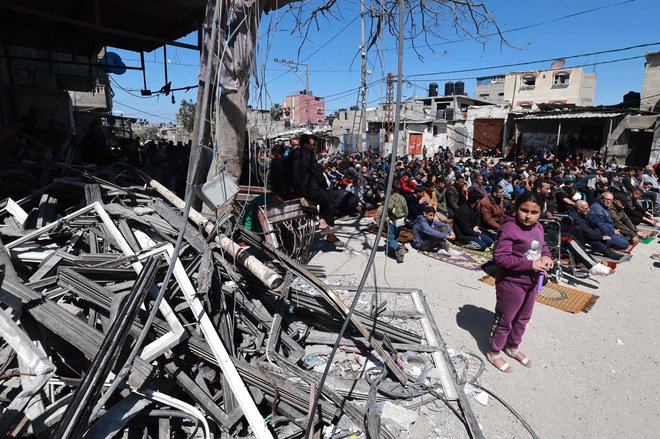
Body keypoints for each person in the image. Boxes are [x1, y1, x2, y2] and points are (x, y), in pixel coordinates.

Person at [488, 192, 554, 373]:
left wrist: (547, 256)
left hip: (532, 281)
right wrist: (530, 264)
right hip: (511, 282)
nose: (528, 216)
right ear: (516, 209)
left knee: (523, 317)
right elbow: (500, 257)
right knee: (505, 318)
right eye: (524, 210)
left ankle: (512, 347)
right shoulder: (509, 228)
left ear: (541, 212)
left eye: (534, 212)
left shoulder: (538, 227)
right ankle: (494, 352)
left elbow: (543, 246)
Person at [287, 134, 341, 245]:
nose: (314, 147)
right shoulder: (308, 155)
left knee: (324, 199)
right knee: (329, 202)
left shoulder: (292, 155)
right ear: (306, 144)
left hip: (296, 189)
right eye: (312, 145)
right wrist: (323, 185)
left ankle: (322, 222)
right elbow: (317, 173)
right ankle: (329, 232)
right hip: (308, 188)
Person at [386, 180, 408, 263]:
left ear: (392, 188)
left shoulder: (391, 198)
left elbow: (389, 207)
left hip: (394, 220)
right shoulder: (402, 198)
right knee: (396, 236)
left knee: (390, 237)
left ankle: (399, 248)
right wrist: (405, 218)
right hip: (402, 219)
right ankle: (392, 250)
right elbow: (406, 210)